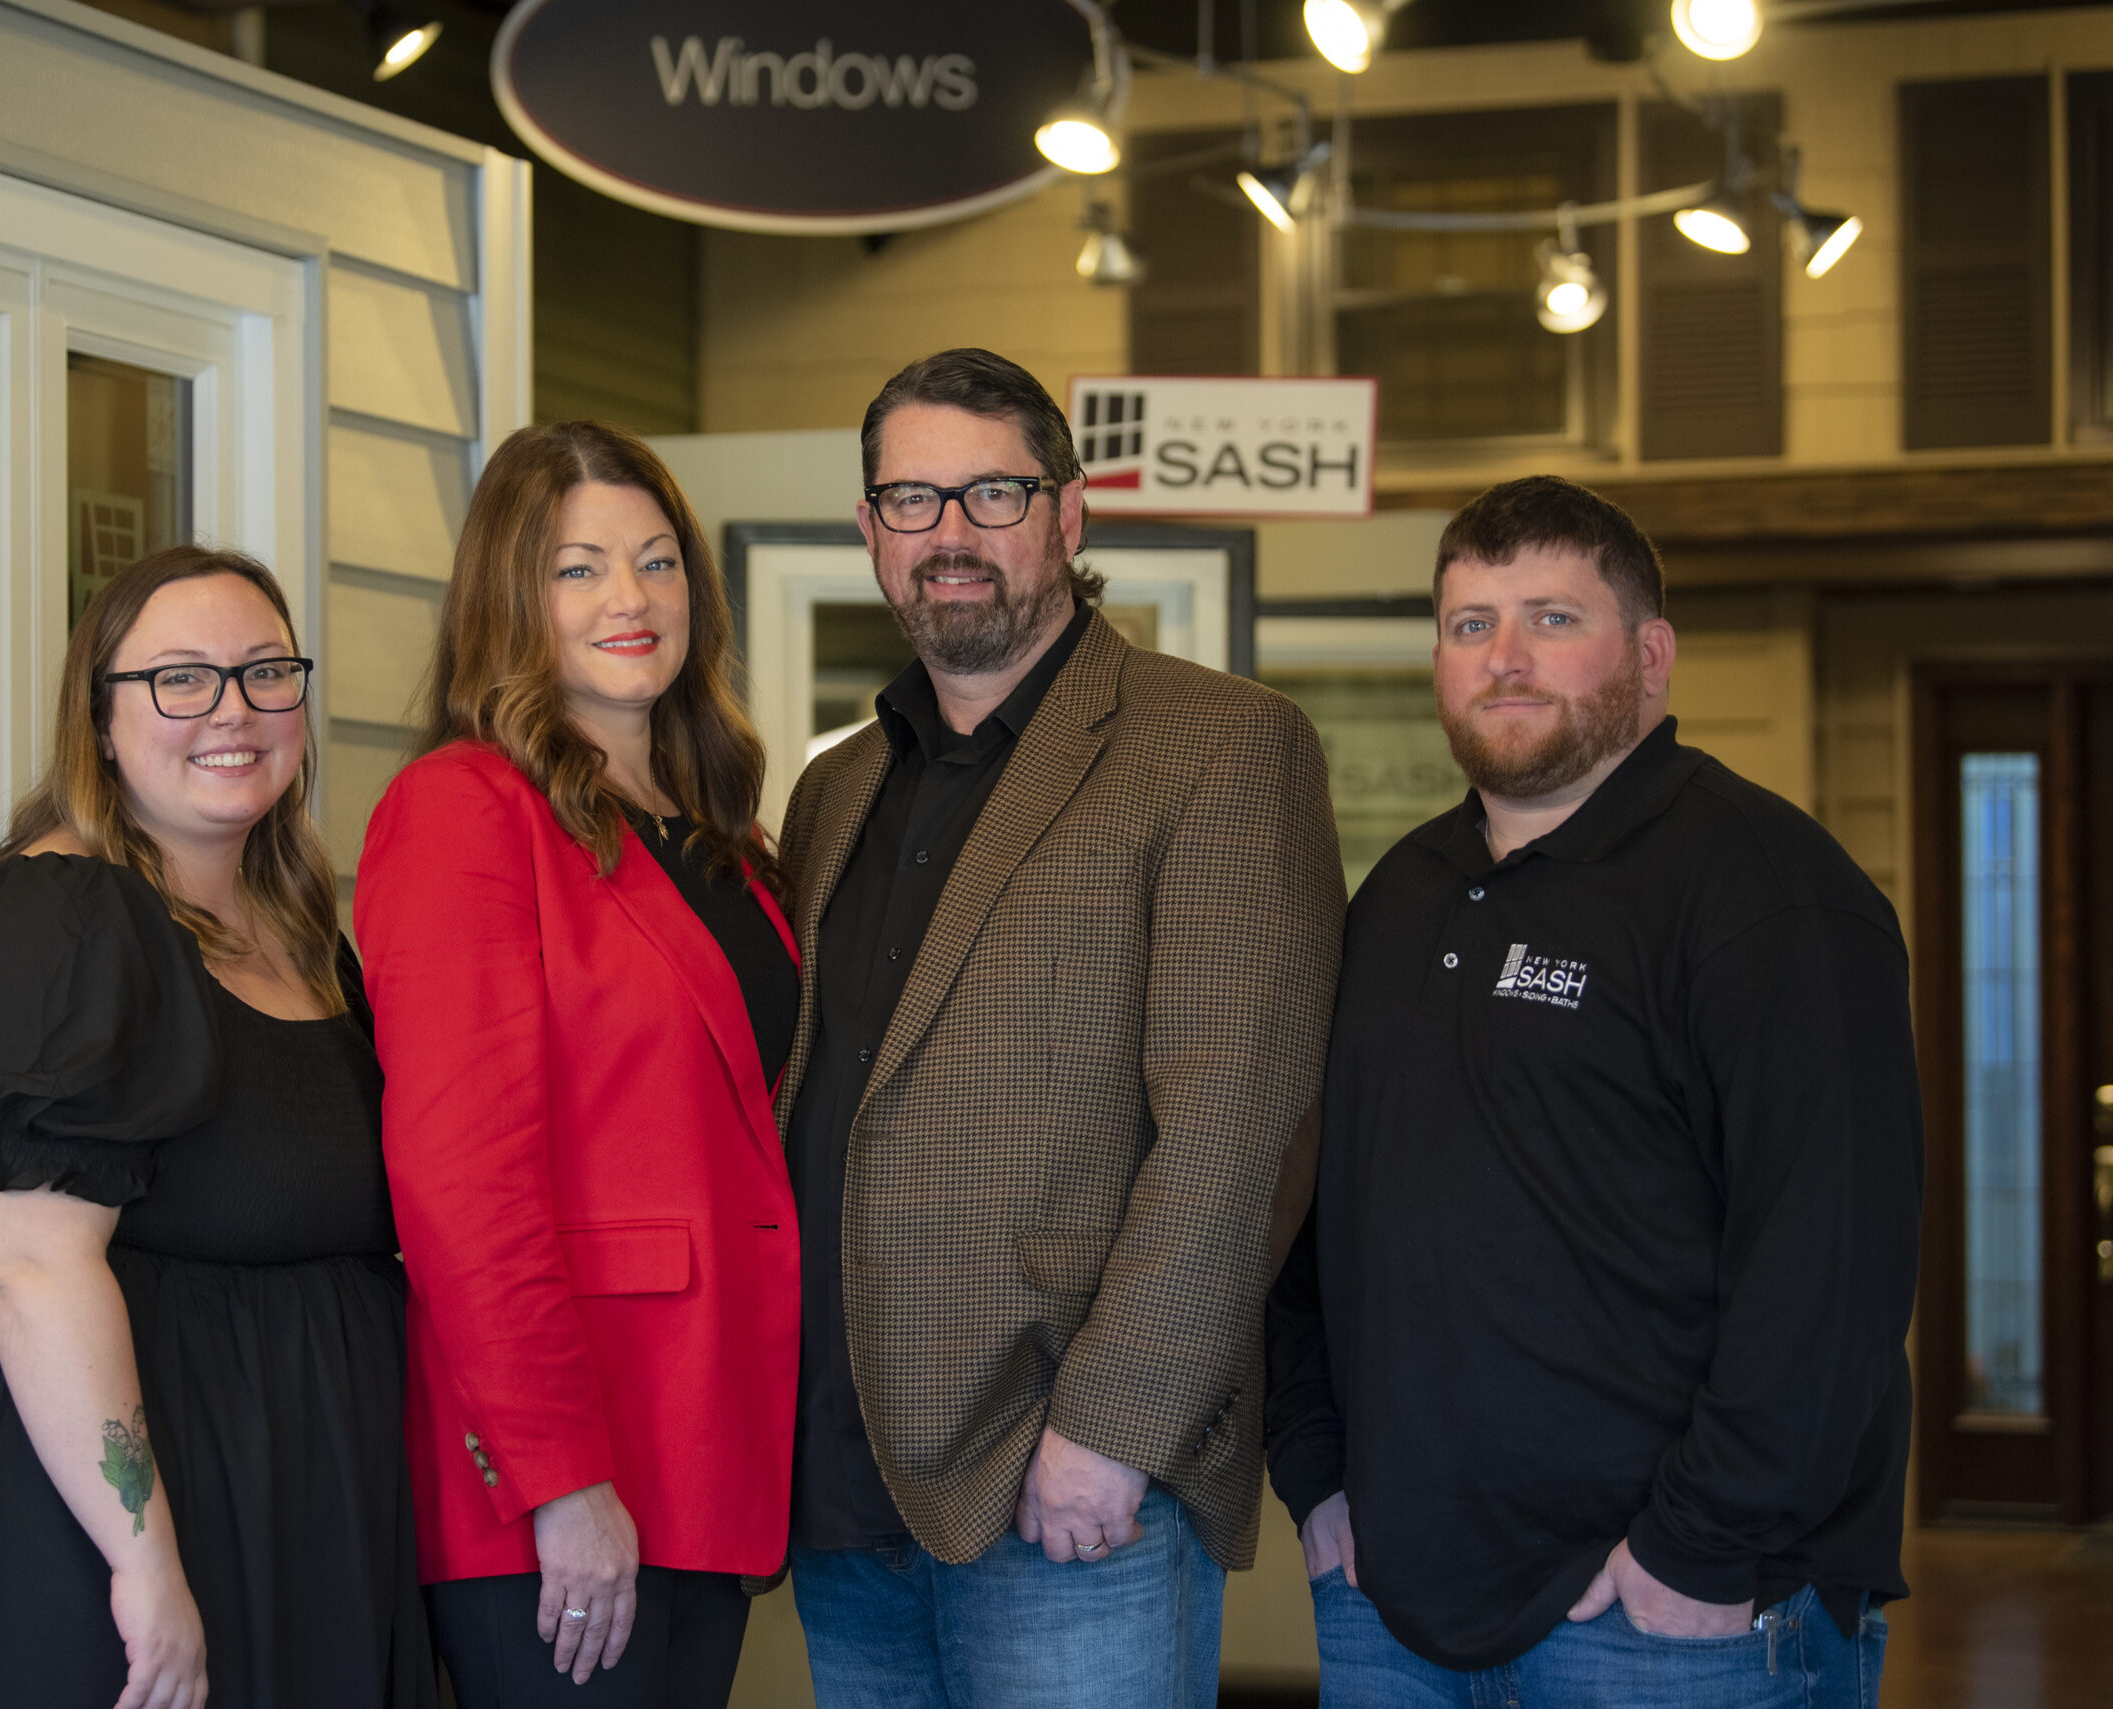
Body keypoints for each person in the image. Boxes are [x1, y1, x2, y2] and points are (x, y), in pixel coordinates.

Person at [1266, 475, 1923, 1707]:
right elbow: (1311, 1207)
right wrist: (1316, 1474)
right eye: (1471, 624)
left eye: (1553, 618)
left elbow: (1829, 1265)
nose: (1504, 658)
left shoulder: (1770, 893)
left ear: (1651, 656)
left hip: (1670, 1617)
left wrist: (1697, 1546)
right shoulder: (1399, 897)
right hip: (1392, 1602)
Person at [771, 348, 1347, 1709]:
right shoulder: (836, 789)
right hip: (843, 1484)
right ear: (868, 528)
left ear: (1069, 514)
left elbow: (1240, 1127)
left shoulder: (1219, 745)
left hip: (1069, 1487)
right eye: (910, 498)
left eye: (993, 493)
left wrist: (1113, 1427)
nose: (949, 533)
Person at [0, 546, 434, 1709]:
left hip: (281, 1500)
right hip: (96, 1516)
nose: (231, 710)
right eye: (179, 678)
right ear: (98, 719)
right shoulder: (64, 916)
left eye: (264, 671)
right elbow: (27, 1266)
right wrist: (144, 1563)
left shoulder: (300, 929)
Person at [353, 421, 801, 1709]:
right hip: (562, 1475)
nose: (631, 598)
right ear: (510, 597)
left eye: (657, 561)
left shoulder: (717, 833)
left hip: (705, 1439)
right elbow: (459, 1179)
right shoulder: (462, 808)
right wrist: (558, 1478)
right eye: (578, 568)